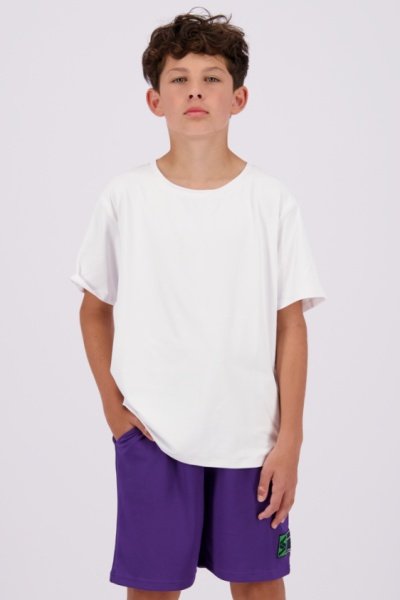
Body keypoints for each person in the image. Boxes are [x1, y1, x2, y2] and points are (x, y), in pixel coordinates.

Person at [70, 8, 327, 600]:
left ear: (238, 98)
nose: (194, 91)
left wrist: (291, 439)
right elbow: (93, 308)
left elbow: (291, 325)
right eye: (178, 78)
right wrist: (115, 412)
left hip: (252, 438)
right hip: (154, 435)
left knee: (259, 583)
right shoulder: (125, 197)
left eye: (211, 78)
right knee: (153, 588)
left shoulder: (271, 201)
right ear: (154, 100)